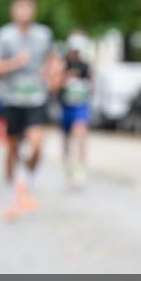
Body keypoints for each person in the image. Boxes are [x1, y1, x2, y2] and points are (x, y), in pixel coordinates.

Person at [0, 0, 54, 219]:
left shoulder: (44, 34)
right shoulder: (4, 36)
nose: (24, 12)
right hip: (11, 98)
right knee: (13, 147)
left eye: (28, 7)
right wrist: (16, 63)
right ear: (13, 11)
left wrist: (53, 72)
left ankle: (26, 180)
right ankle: (10, 187)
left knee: (37, 144)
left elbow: (52, 60)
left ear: (34, 10)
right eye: (20, 8)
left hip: (36, 98)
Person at [56, 33, 93, 187]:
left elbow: (90, 84)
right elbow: (56, 84)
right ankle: (67, 163)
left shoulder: (86, 66)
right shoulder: (63, 64)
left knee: (80, 133)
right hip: (66, 106)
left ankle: (80, 167)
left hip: (80, 105)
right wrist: (65, 78)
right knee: (66, 138)